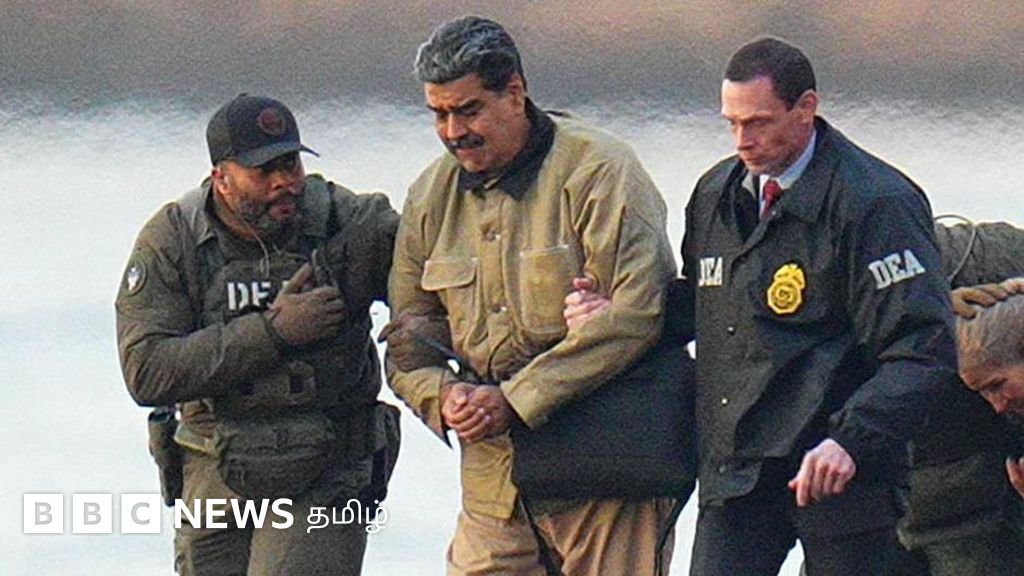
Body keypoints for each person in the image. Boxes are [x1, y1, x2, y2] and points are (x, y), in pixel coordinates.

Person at [384, 15, 678, 576]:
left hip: (606, 471)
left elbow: (637, 314)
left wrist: (516, 399)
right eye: (439, 114)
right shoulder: (428, 196)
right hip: (493, 485)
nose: (453, 131)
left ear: (515, 93)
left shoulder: (600, 170)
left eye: (468, 110)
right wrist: (443, 397)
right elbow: (406, 340)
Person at [672, 37, 958, 575]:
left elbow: (924, 347)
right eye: (732, 124)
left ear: (806, 107)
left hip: (842, 466)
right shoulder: (716, 195)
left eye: (758, 122)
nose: (743, 141)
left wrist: (851, 439)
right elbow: (700, 307)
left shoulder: (875, 202)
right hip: (738, 469)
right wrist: (615, 309)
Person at [115, 94, 399, 575]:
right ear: (221, 178)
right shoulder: (174, 240)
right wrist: (273, 333)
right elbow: (147, 372)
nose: (284, 181)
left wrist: (414, 329)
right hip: (216, 467)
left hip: (327, 466)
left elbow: (432, 274)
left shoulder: (344, 221)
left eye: (290, 164)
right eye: (263, 171)